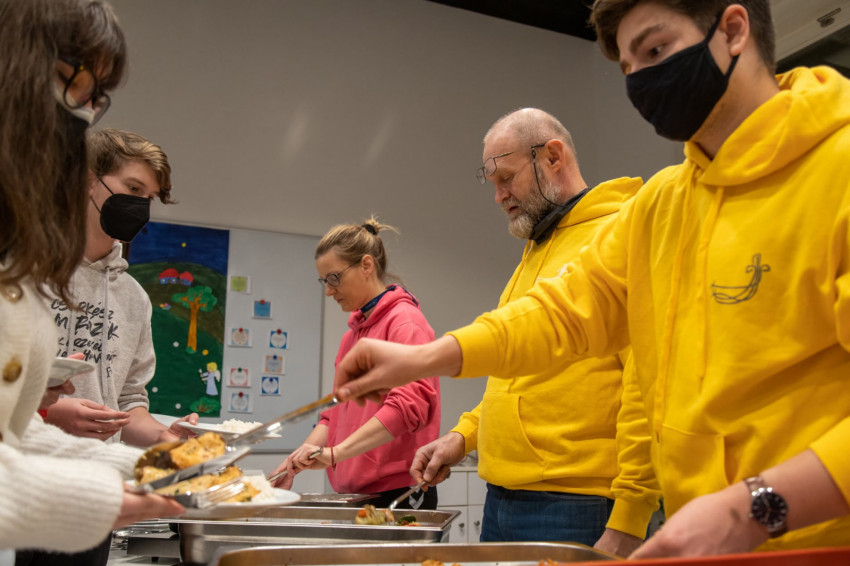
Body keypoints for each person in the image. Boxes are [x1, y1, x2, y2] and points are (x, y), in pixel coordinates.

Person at [332, 0, 850, 557]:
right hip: (706, 540)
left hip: (813, 541)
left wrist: (750, 508)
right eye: (627, 67)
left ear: (734, 30)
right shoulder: (663, 204)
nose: (640, 81)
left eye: (655, 50)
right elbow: (561, 312)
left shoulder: (837, 168)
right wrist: (425, 358)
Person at [409, 108, 656, 553]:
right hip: (503, 496)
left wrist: (630, 518)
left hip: (577, 503)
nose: (498, 195)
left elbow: (647, 388)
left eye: (506, 177)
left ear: (553, 157)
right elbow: (515, 380)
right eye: (493, 183)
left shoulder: (619, 234)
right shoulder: (537, 250)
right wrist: (462, 438)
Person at [0, 0, 184, 562]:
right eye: (71, 81)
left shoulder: (121, 292)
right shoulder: (34, 264)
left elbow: (13, 428)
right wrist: (96, 492)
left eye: (96, 97)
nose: (83, 112)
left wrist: (150, 463)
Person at [269, 218, 441, 510]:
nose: (328, 291)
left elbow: (407, 407)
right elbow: (332, 417)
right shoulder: (351, 337)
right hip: (356, 492)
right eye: (324, 281)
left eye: (334, 278)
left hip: (398, 491)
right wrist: (294, 462)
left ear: (366, 265)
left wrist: (336, 453)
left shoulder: (405, 323)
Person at [43, 128, 199, 446]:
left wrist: (162, 435)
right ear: (87, 180)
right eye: (133, 188)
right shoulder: (18, 272)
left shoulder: (134, 297)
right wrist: (48, 411)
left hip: (98, 469)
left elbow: (127, 402)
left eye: (149, 197)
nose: (140, 205)